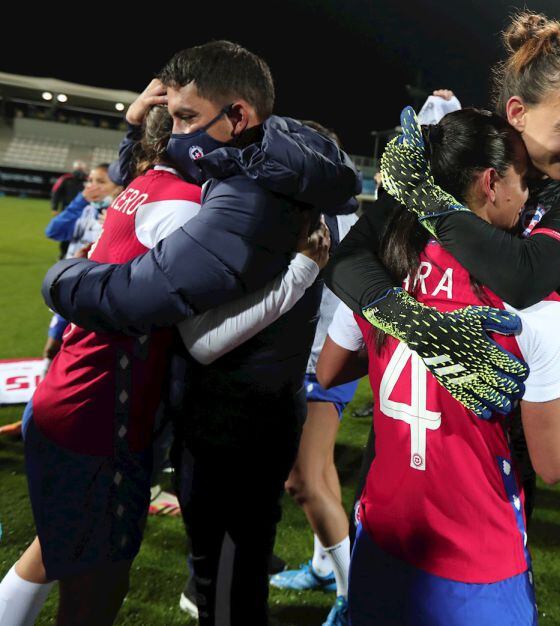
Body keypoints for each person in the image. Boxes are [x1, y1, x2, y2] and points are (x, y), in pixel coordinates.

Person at [38, 41, 360, 625]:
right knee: (221, 578)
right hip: (240, 416)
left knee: (228, 593)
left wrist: (65, 278)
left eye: (187, 118)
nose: (179, 134)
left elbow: (174, 317)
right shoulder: (266, 174)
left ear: (239, 117)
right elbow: (156, 170)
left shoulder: (258, 197)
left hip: (235, 426)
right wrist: (139, 127)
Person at [348, 106, 560, 626]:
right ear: (492, 182)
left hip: (382, 531)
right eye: (520, 183)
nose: (529, 195)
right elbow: (555, 463)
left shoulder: (392, 259)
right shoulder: (534, 307)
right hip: (475, 555)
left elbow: (333, 367)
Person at [326, 10, 560, 418]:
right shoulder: (447, 159)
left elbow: (523, 277)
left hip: (498, 423)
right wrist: (414, 323)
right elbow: (347, 261)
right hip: (403, 428)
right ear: (517, 113)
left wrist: (425, 198)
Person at [268, 121, 361, 625]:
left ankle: (352, 596)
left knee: (302, 480)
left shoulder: (320, 213)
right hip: (327, 355)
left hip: (320, 360)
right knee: (319, 473)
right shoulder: (339, 208)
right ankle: (327, 568)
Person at [39, 163, 119, 371]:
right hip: (67, 289)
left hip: (93, 298)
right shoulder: (83, 211)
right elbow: (52, 231)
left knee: (82, 355)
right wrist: (79, 201)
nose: (92, 186)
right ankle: (45, 379)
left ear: (118, 186)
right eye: (90, 181)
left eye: (100, 182)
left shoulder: (118, 217)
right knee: (51, 348)